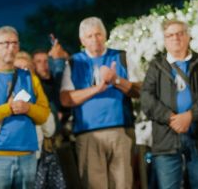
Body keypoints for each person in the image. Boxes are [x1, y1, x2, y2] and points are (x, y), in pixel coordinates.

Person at [59, 17, 139, 189]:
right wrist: (97, 89)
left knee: (123, 183)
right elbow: (66, 99)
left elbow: (139, 91)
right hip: (88, 134)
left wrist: (116, 80)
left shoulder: (121, 57)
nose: (95, 40)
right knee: (93, 185)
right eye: (89, 36)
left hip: (120, 130)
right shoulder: (74, 62)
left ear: (105, 35)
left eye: (98, 34)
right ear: (82, 40)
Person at [141, 19, 198, 189]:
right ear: (164, 40)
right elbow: (146, 98)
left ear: (188, 36)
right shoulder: (156, 66)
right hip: (166, 139)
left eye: (180, 33)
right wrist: (171, 118)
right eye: (170, 35)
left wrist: (190, 116)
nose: (175, 38)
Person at [0, 26, 50, 189]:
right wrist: (8, 108)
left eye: (15, 43)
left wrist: (28, 108)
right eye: (5, 43)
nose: (11, 47)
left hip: (27, 156)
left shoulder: (30, 78)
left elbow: (44, 115)